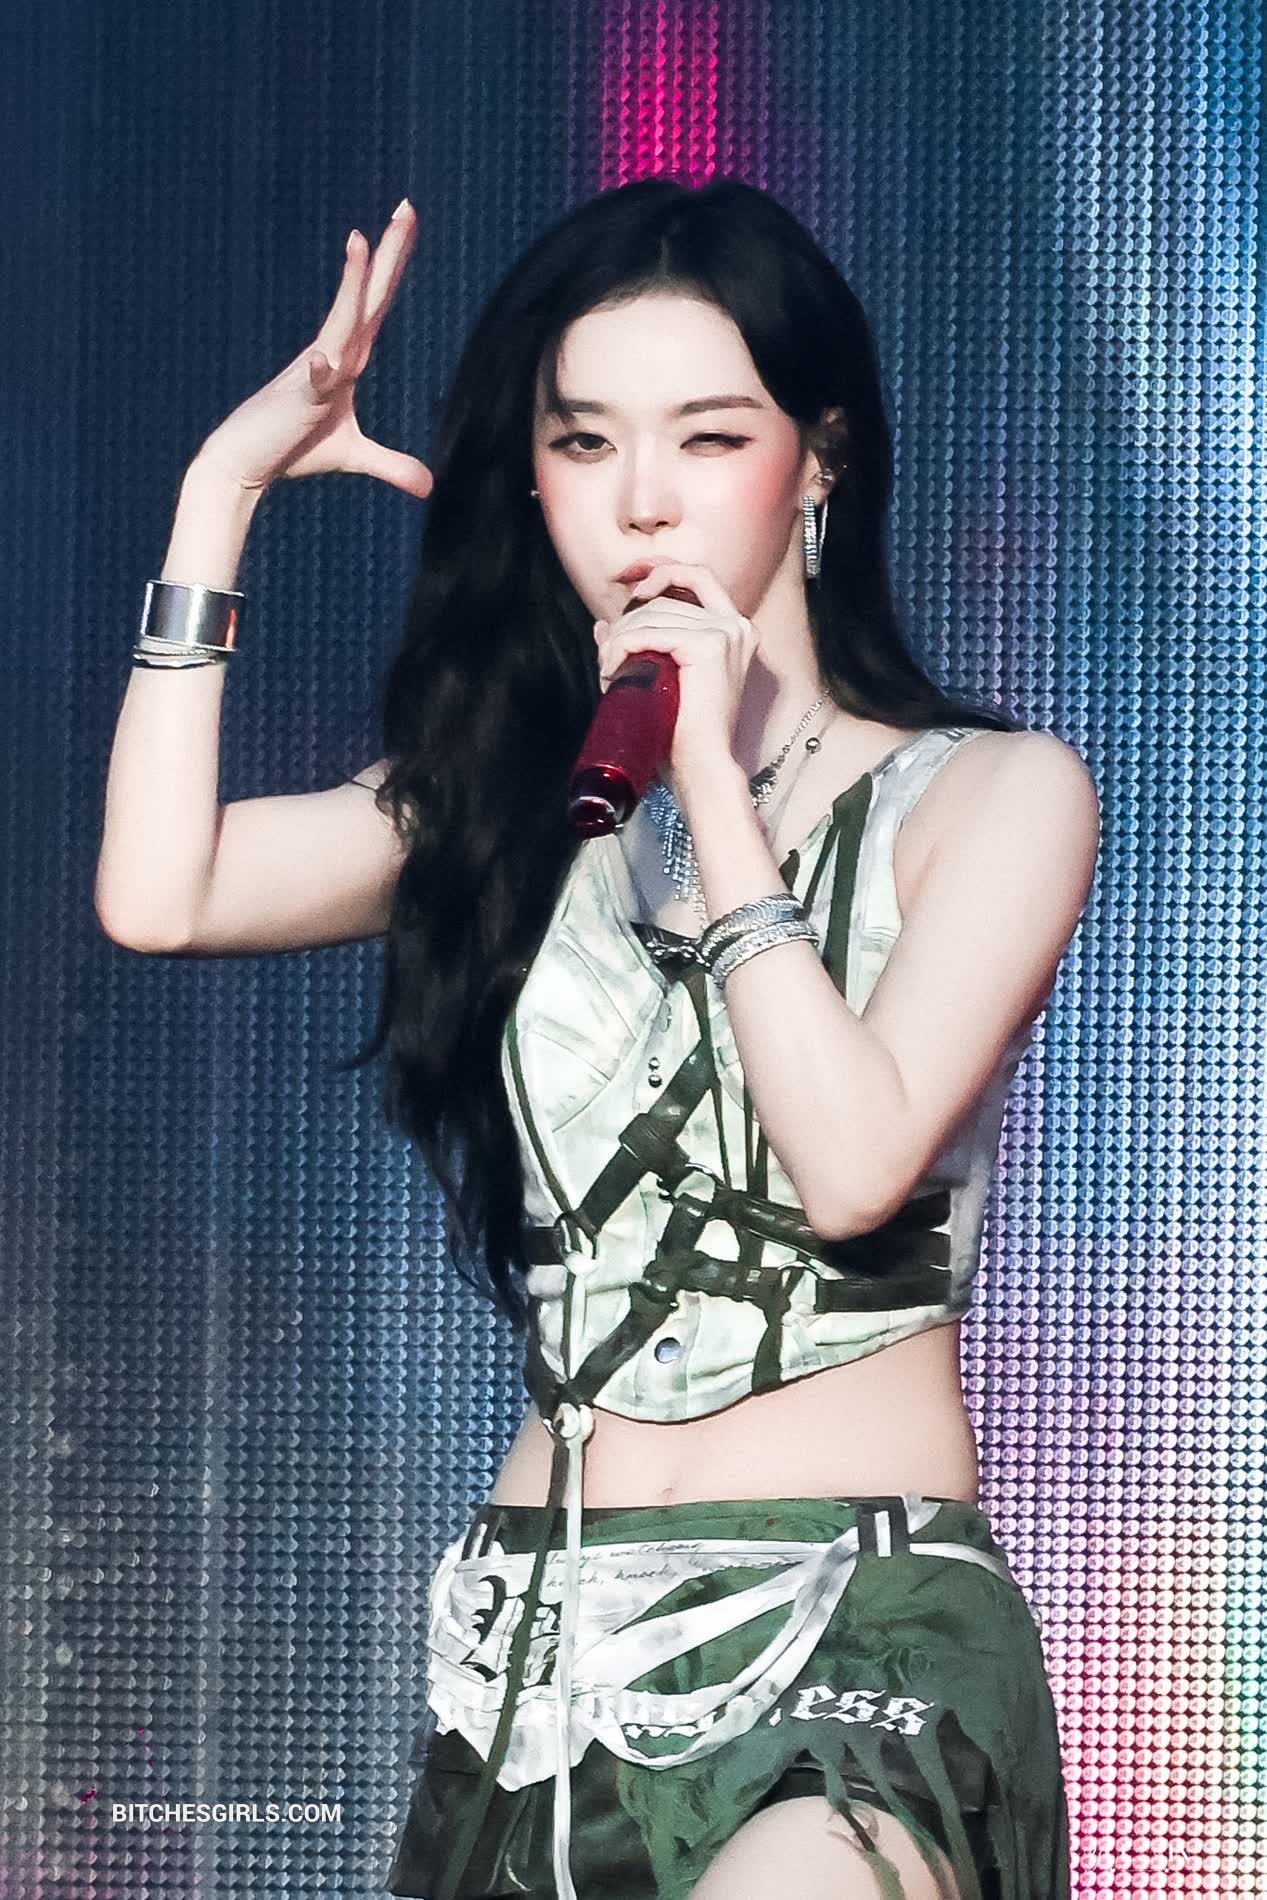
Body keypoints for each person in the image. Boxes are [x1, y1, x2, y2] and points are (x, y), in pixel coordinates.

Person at [95, 177, 1100, 1900]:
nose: (642, 501)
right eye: (584, 443)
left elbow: (855, 1162)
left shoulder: (995, 797)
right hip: (539, 1652)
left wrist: (714, 782)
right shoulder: (512, 813)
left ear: (819, 460)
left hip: (853, 1629)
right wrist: (220, 492)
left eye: (708, 438)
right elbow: (158, 893)